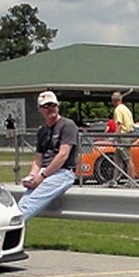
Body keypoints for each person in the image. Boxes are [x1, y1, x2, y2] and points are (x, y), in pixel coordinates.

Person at [20, 91, 80, 220]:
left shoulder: (67, 125)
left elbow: (63, 155)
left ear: (58, 106)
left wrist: (42, 176)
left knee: (27, 207)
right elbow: (38, 159)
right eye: (46, 106)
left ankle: (10, 229)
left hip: (63, 172)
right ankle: (14, 231)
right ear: (39, 109)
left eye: (53, 105)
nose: (50, 108)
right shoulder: (42, 130)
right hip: (45, 173)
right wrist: (31, 176)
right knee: (21, 205)